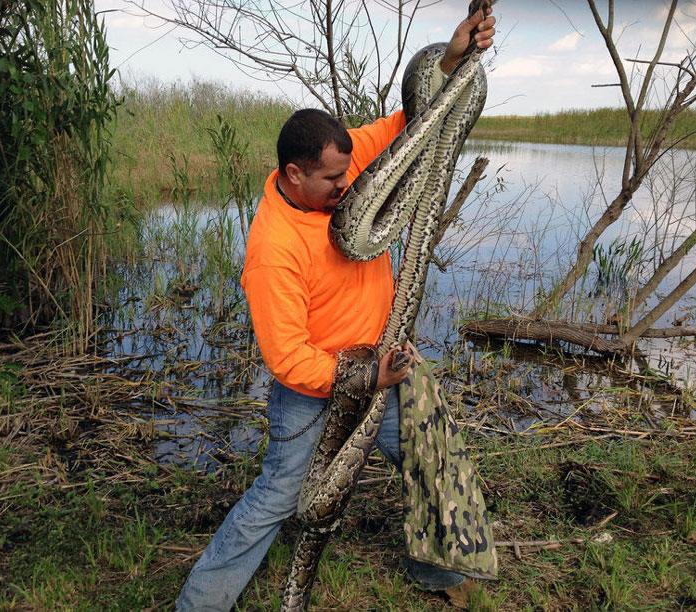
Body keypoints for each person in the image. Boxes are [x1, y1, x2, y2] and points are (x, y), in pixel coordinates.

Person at [176, 6, 496, 610]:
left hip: (386, 361)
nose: (348, 186)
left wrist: (451, 59)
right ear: (294, 175)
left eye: (349, 171)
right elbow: (287, 358)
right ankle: (199, 604)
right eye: (332, 180)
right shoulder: (272, 250)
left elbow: (413, 126)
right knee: (276, 498)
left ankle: (436, 574)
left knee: (426, 458)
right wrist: (360, 376)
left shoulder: (339, 167)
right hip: (317, 391)